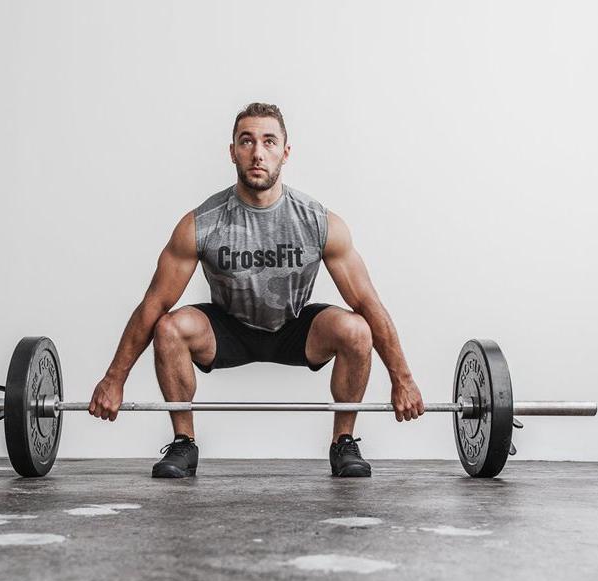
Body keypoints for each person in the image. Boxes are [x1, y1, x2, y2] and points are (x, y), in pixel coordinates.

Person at [89, 102, 424, 478]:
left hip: (294, 327)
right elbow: (154, 303)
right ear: (232, 151)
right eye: (246, 141)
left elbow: (367, 302)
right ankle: (184, 443)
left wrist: (403, 380)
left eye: (269, 141)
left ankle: (343, 443)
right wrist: (113, 379)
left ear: (285, 151)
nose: (257, 152)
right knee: (169, 326)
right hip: (228, 329)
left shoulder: (317, 221)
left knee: (356, 328)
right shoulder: (202, 223)